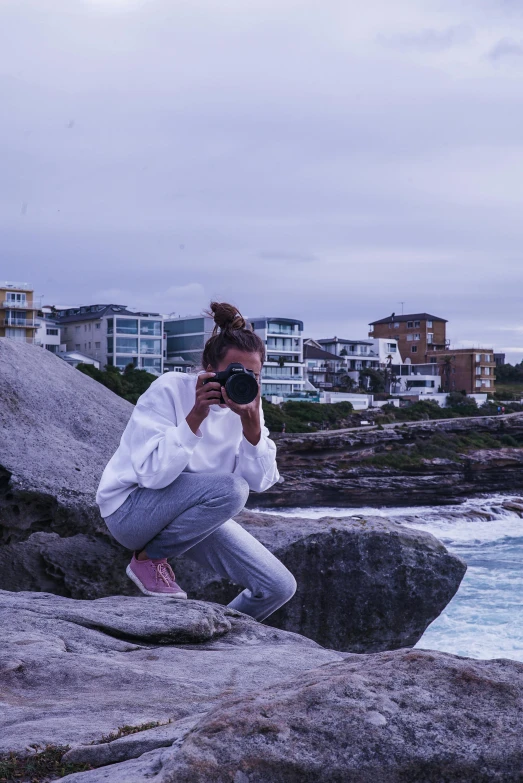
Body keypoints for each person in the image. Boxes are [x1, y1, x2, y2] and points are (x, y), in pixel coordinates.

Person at [96, 302, 296, 621]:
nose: (242, 381)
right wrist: (195, 417)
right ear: (208, 367)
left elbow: (261, 481)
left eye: (253, 375)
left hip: (191, 515)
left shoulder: (249, 409)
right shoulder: (170, 390)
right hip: (131, 511)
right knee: (232, 488)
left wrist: (253, 432)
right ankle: (148, 560)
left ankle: (216, 635)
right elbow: (153, 475)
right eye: (235, 372)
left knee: (277, 586)